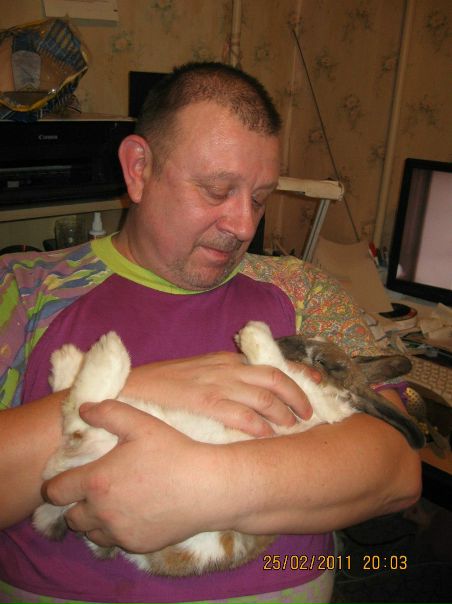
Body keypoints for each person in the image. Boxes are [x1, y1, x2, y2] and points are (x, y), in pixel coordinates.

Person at [0, 62, 421, 604]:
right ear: (139, 168)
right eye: (217, 190)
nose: (244, 225)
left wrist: (207, 485)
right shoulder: (24, 288)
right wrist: (145, 389)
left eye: (260, 198)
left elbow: (397, 469)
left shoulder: (302, 288)